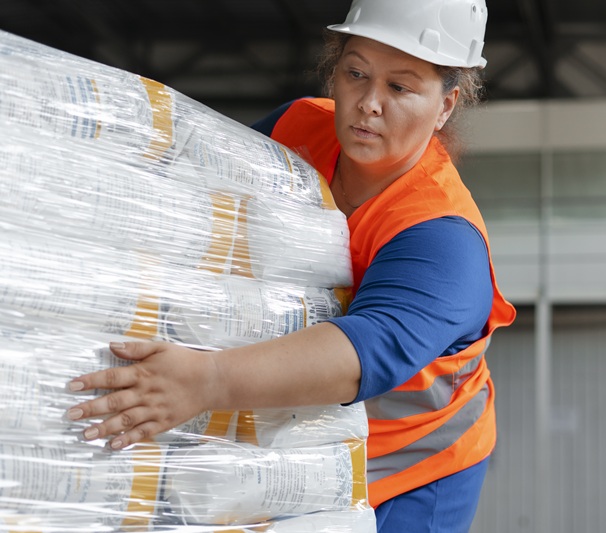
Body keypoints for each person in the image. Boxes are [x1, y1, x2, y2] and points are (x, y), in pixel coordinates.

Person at [66, 0, 516, 531]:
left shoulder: (441, 237)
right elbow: (199, 194)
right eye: (355, 74)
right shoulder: (298, 128)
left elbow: (363, 352)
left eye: (399, 87)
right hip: (293, 433)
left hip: (407, 463)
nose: (369, 104)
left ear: (445, 106)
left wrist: (206, 380)